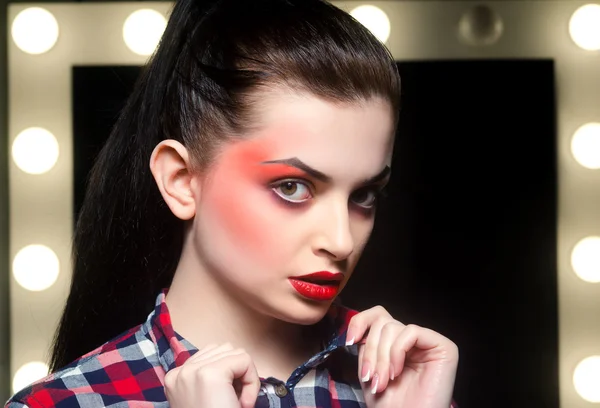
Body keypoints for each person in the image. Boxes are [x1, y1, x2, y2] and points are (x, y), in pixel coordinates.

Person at [5, 0, 459, 406]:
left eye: (364, 195)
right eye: (292, 187)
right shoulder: (68, 403)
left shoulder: (405, 389)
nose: (341, 241)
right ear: (182, 180)